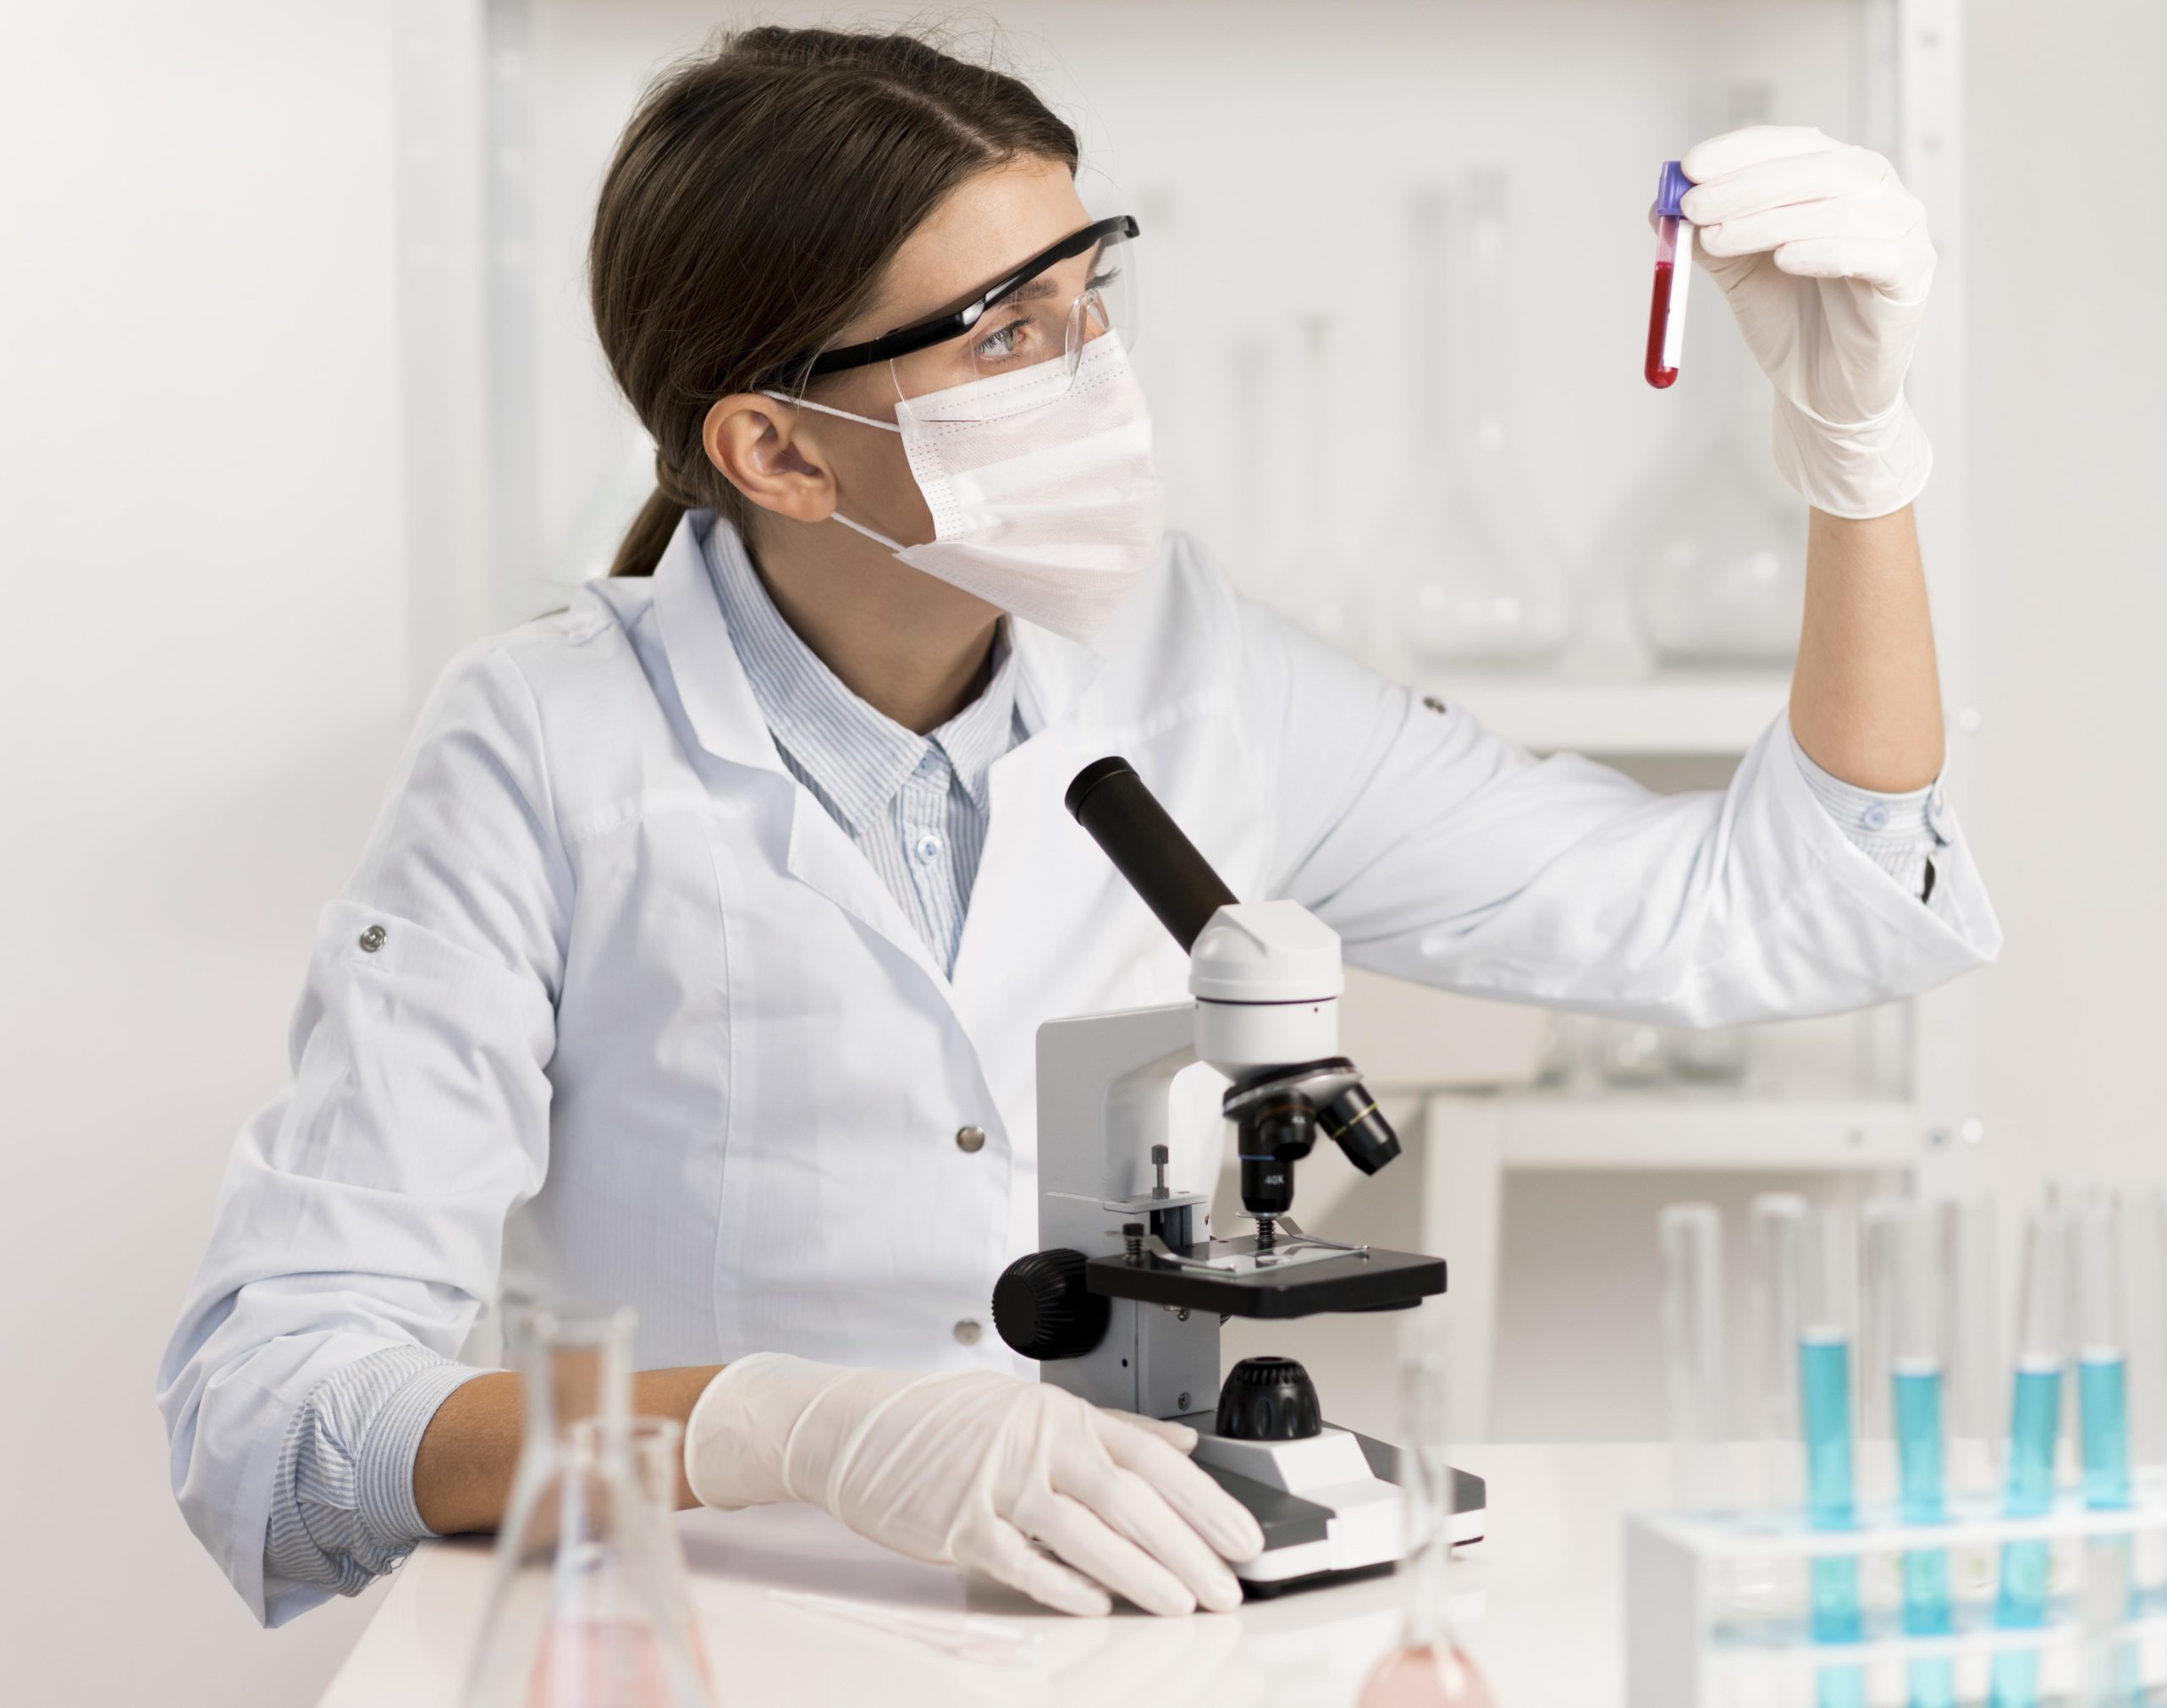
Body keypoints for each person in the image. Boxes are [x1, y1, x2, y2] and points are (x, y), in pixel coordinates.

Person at [159, 25, 1999, 1628]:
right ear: (778, 451)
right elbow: (274, 1406)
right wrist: (777, 1426)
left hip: (1130, 1623)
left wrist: (1857, 460)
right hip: (713, 1643)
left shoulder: (1191, 670)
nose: (1093, 372)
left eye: (1087, 295)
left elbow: (1765, 907)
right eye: (1003, 333)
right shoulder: (544, 741)